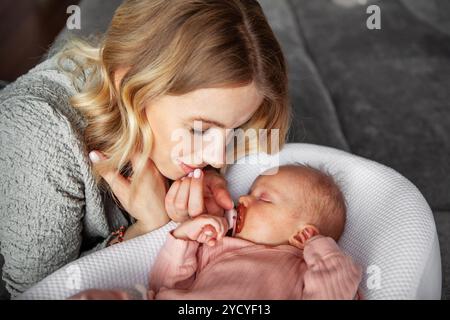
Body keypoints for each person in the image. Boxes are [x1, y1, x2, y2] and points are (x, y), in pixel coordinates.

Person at [0, 0, 291, 297]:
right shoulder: (41, 135)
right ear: (131, 85)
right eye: (201, 129)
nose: (217, 156)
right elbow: (36, 293)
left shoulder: (171, 113)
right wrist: (146, 229)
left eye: (234, 129)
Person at [69, 164, 362, 300]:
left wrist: (319, 246)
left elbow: (337, 285)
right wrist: (185, 237)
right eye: (249, 192)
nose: (243, 199)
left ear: (303, 233)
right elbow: (164, 283)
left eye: (263, 198)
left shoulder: (302, 270)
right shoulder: (219, 242)